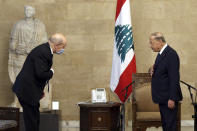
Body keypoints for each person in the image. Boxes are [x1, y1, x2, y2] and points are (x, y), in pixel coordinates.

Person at [12, 33, 67, 131]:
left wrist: (39, 91)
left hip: (30, 90)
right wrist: (51, 72)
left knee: (34, 119)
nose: (63, 49)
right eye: (63, 47)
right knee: (31, 121)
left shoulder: (45, 50)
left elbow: (34, 73)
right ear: (56, 45)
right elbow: (41, 74)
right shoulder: (44, 52)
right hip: (26, 91)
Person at [9, 5, 48, 108]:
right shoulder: (18, 25)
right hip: (21, 56)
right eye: (26, 9)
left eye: (30, 10)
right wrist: (17, 49)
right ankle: (17, 102)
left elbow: (45, 42)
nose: (27, 11)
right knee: (19, 80)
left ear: (34, 12)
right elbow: (12, 44)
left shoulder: (40, 26)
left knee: (34, 80)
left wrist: (33, 49)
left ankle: (34, 102)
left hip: (35, 58)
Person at [149, 32, 183, 131]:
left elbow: (174, 78)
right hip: (162, 98)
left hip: (169, 99)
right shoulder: (161, 53)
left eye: (152, 43)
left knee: (170, 127)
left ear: (160, 42)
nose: (150, 46)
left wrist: (172, 98)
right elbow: (159, 69)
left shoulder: (171, 54)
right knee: (166, 126)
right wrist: (151, 69)